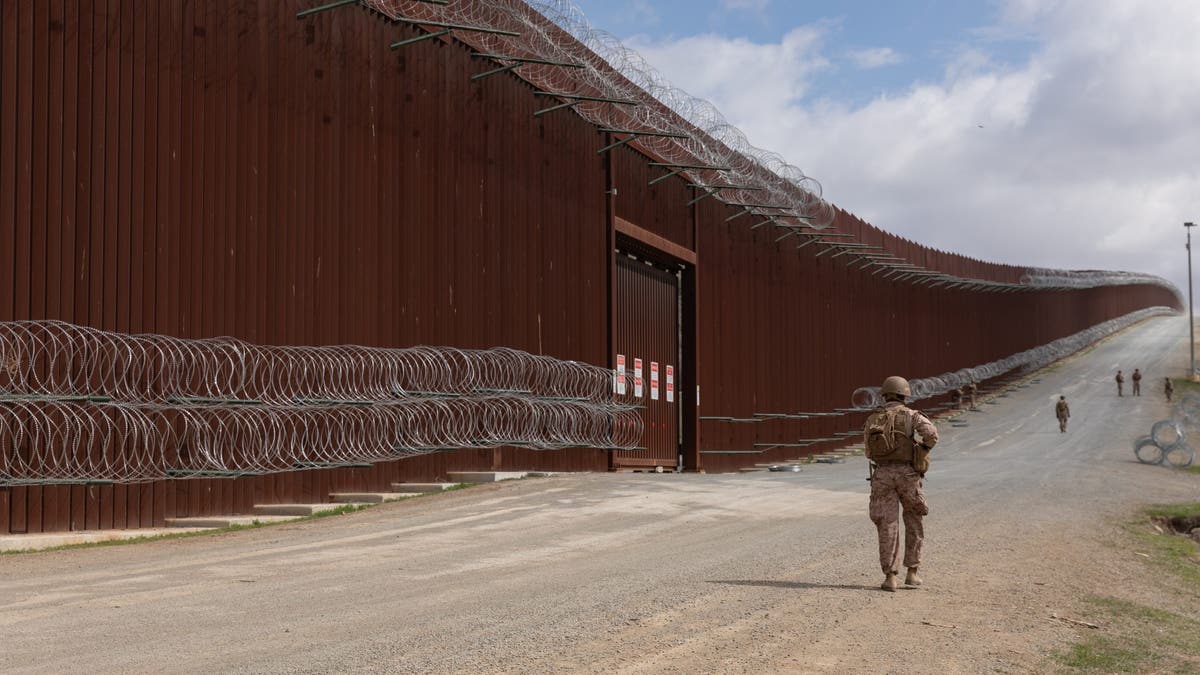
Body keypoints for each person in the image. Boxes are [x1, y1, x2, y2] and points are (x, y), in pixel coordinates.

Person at [863, 376, 939, 592]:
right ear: (904, 395)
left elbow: (869, 452)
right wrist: (921, 450)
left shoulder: (873, 419)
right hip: (908, 474)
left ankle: (890, 577)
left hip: (882, 475)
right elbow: (932, 435)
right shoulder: (912, 416)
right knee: (913, 520)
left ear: (884, 395)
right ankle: (912, 573)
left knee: (887, 524)